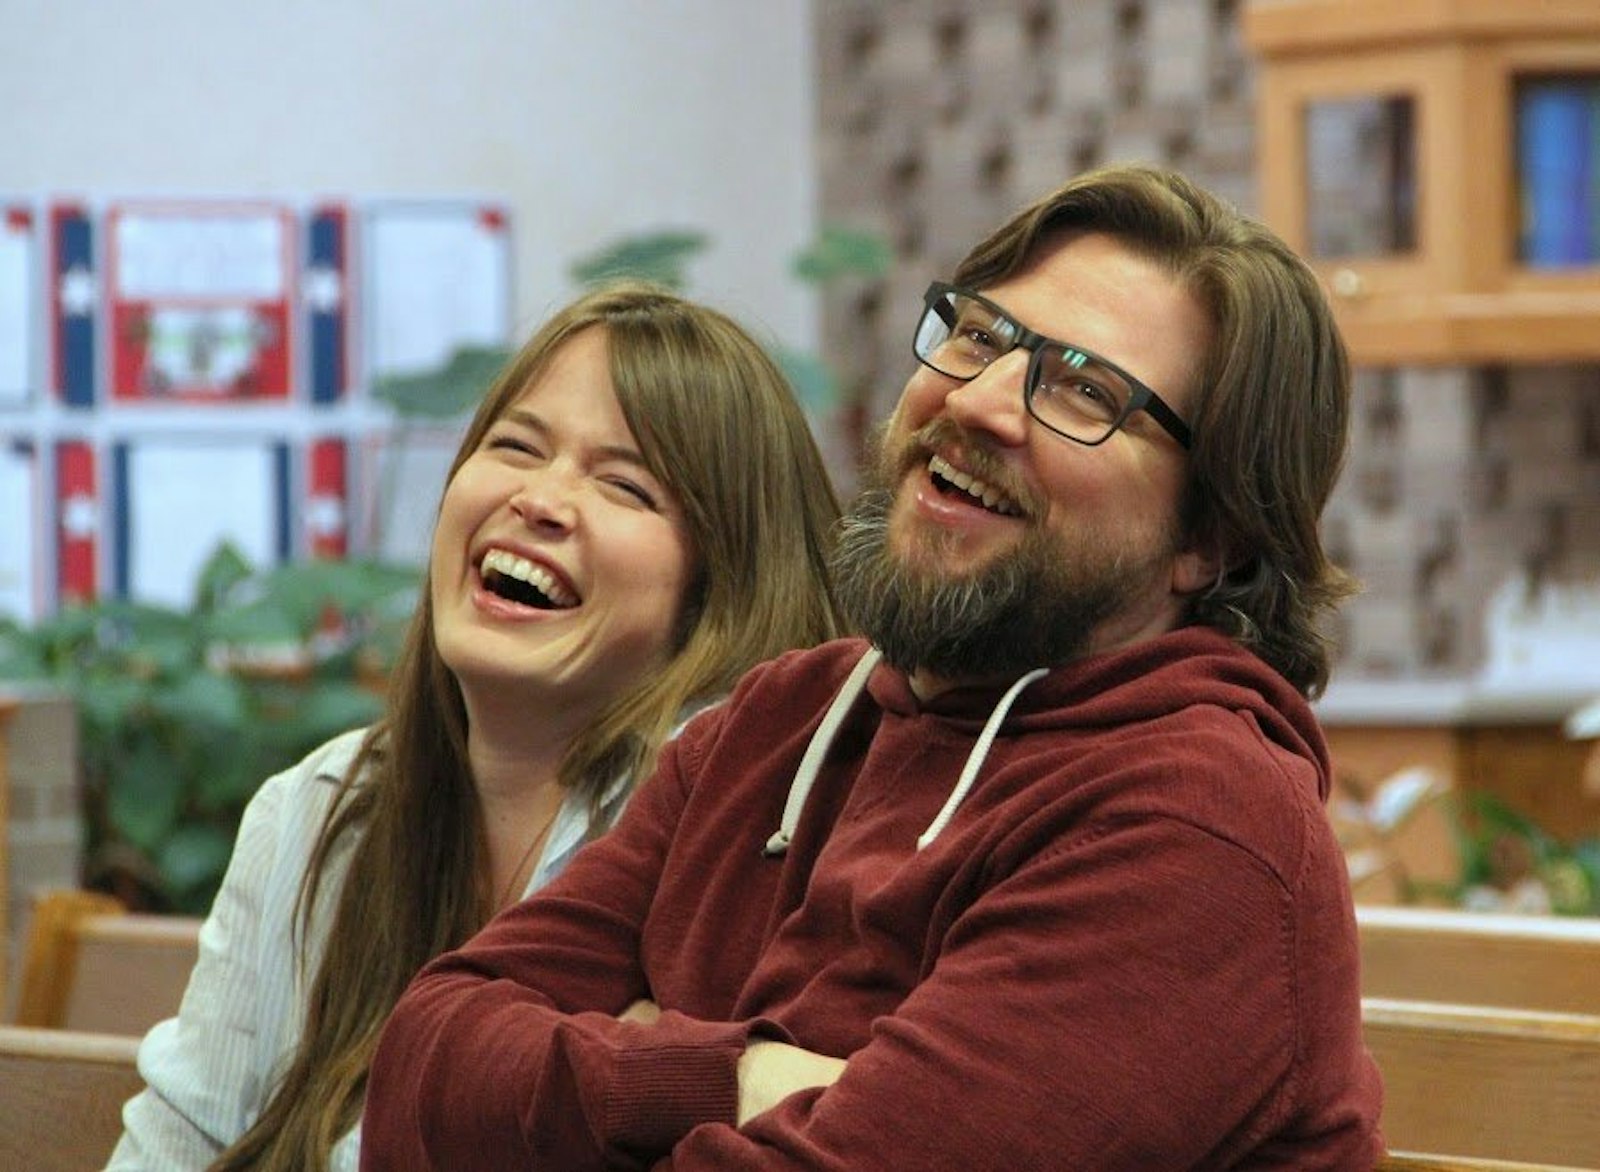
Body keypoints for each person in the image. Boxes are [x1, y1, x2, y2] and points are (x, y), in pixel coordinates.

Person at [360, 164, 1385, 1170]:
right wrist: (731, 1075)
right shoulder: (781, 717)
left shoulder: (1194, 826)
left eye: (1083, 390)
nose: (979, 403)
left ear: (1210, 538)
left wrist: (605, 1058)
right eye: (980, 335)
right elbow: (421, 1068)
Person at [105, 280, 848, 1172]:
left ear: (725, 584)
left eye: (624, 484)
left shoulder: (743, 846)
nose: (540, 498)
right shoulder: (317, 807)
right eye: (515, 446)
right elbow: (181, 1145)